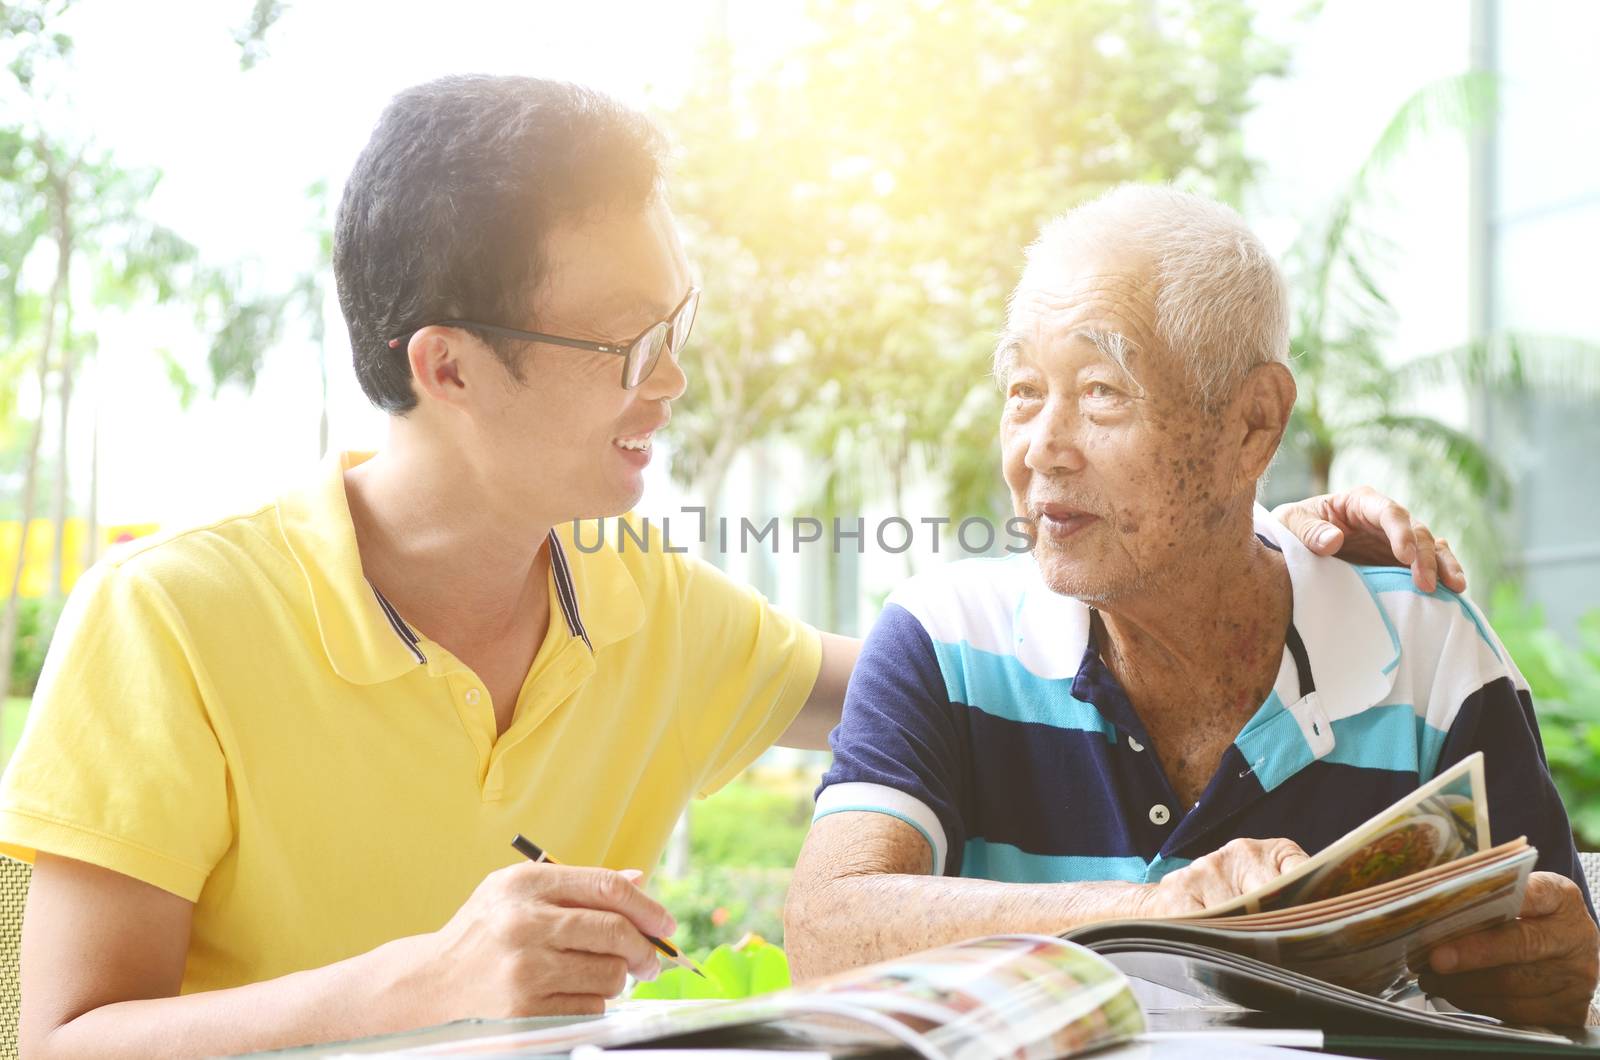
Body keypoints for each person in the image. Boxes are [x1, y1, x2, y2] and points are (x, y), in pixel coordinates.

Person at [0, 80, 1458, 1056]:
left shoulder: (651, 616)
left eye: (678, 320)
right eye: (626, 347)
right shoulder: (172, 619)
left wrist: (1245, 525)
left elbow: (957, 676)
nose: (675, 379)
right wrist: (422, 984)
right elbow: (60, 1040)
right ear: (445, 366)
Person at [785, 184, 1598, 1027]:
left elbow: (1547, 975)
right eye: (1024, 390)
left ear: (1254, 423)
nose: (1042, 450)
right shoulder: (942, 636)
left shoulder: (1430, 649)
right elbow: (826, 932)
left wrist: (1551, 978)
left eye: (1101, 390)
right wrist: (1155, 918)